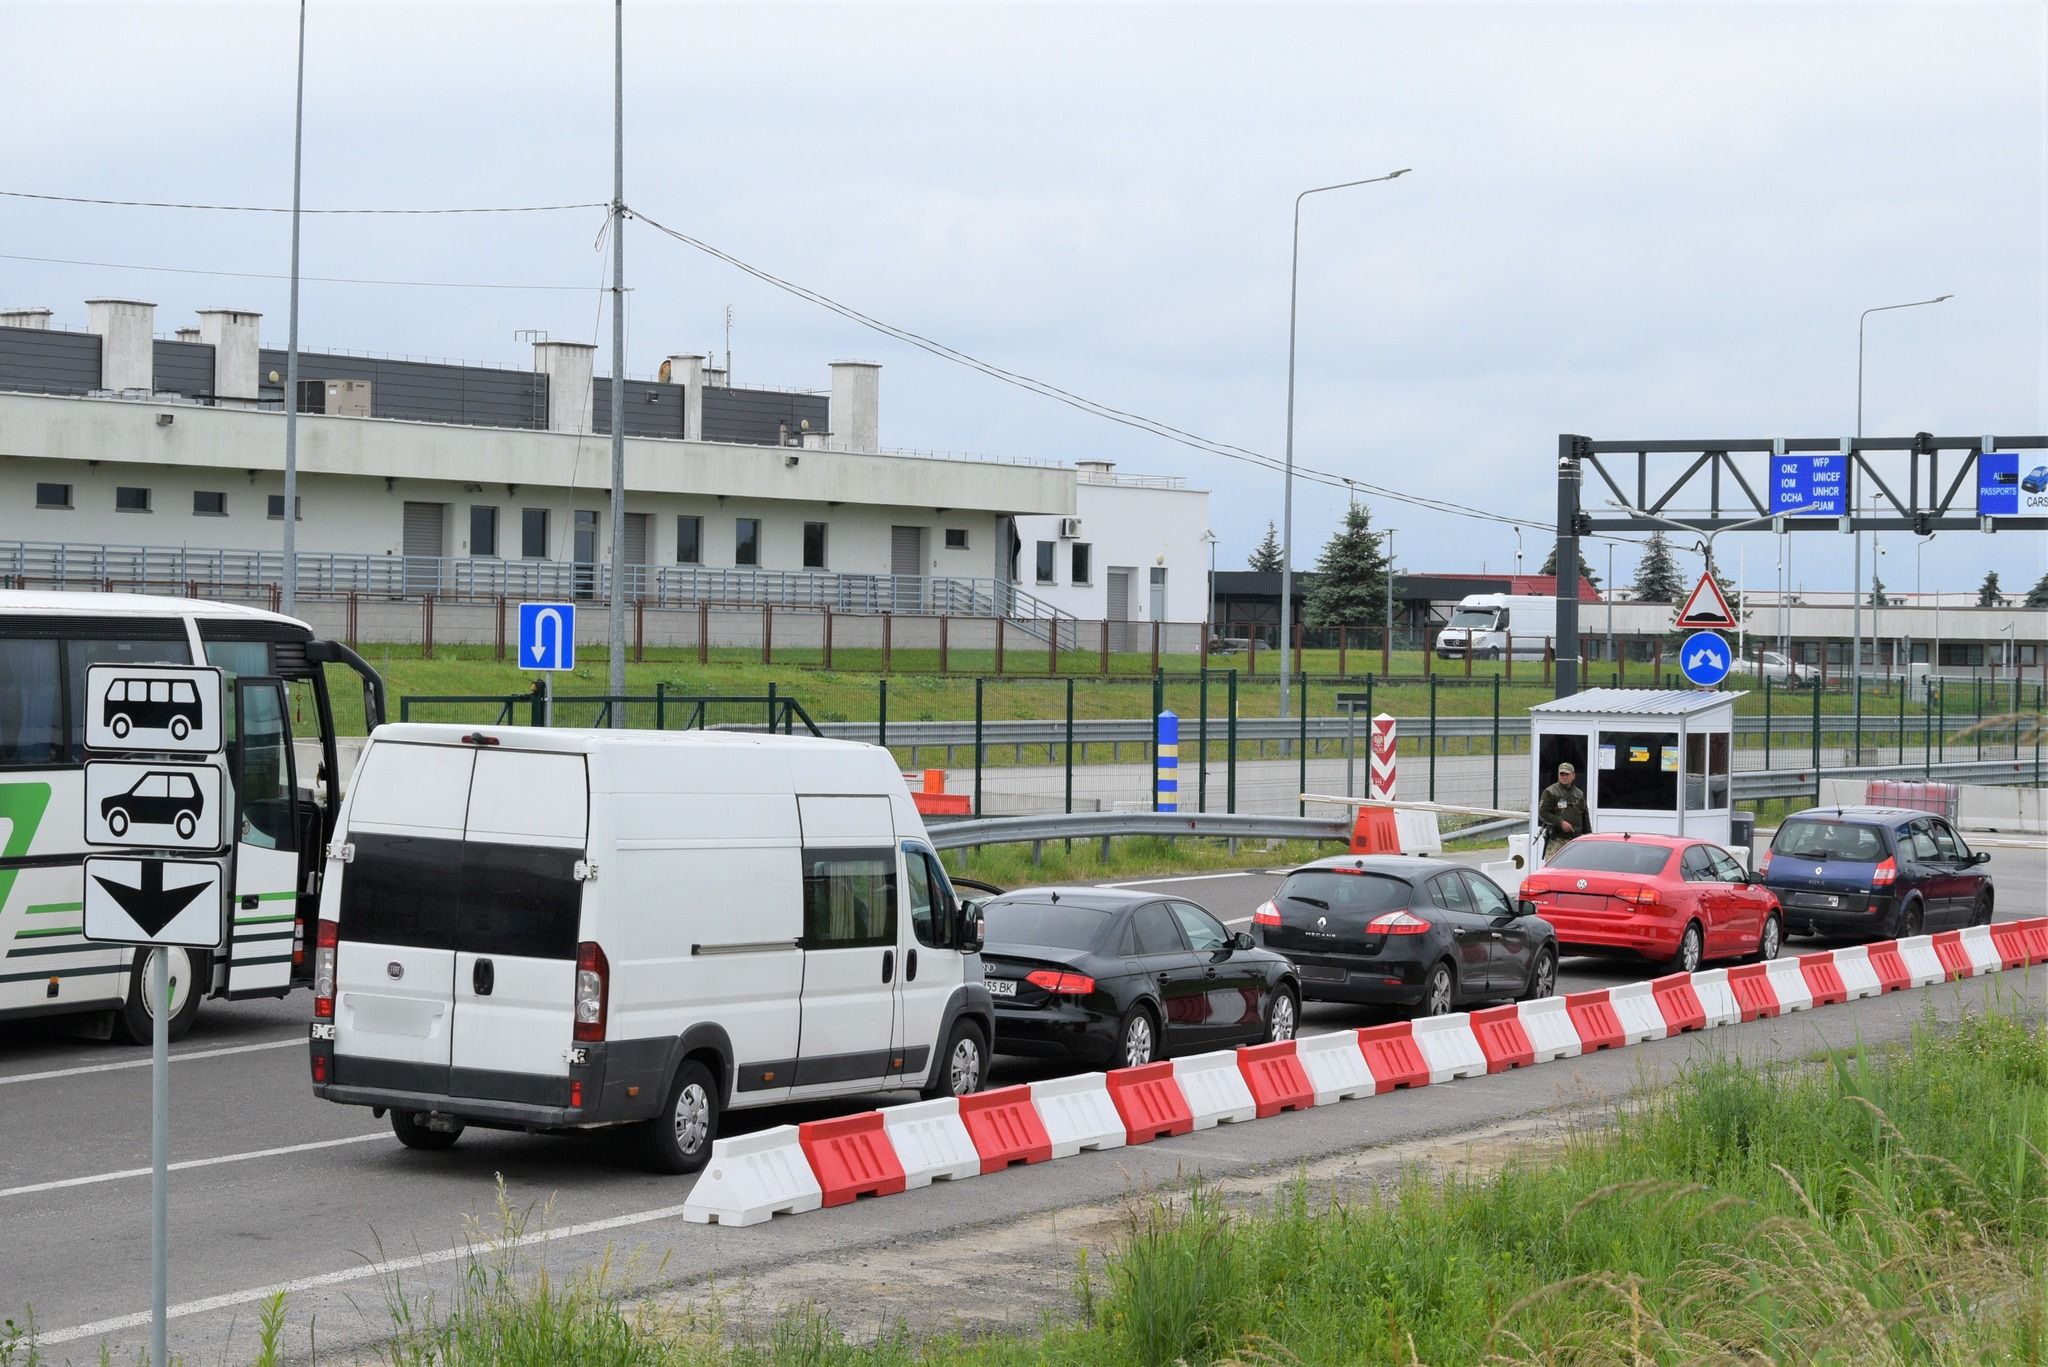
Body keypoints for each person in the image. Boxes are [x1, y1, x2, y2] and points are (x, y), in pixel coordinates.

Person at [1538, 760, 1590, 859]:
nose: (1564, 777)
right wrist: (1560, 823)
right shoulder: (1550, 792)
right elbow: (1543, 813)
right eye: (1561, 774)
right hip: (1557, 841)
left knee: (1575, 866)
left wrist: (1589, 837)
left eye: (1567, 774)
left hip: (1575, 840)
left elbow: (1585, 816)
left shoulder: (1579, 794)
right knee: (1555, 867)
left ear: (1573, 775)